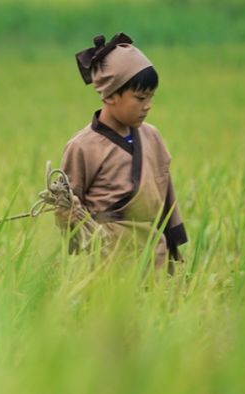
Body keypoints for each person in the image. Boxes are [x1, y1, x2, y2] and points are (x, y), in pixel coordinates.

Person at [56, 33, 187, 270]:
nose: (148, 106)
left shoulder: (152, 136)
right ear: (110, 95)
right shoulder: (82, 146)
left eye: (151, 97)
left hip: (154, 255)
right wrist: (66, 214)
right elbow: (67, 208)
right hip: (107, 258)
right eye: (140, 98)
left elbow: (166, 195)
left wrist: (173, 249)